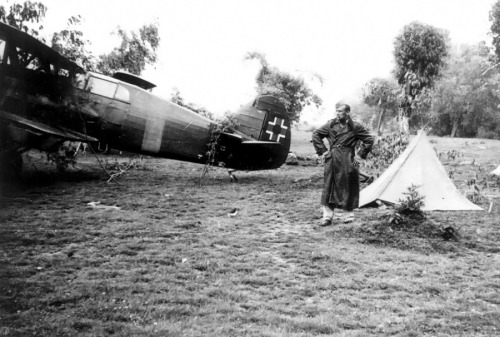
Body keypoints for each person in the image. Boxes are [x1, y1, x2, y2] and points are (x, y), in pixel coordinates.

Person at [312, 103, 375, 226]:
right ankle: (327, 217)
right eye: (336, 111)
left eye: (340, 111)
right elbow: (316, 134)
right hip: (332, 158)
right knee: (329, 186)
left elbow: (369, 140)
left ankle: (348, 216)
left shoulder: (355, 126)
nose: (337, 113)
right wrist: (324, 152)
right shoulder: (330, 125)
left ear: (347, 113)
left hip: (349, 159)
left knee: (348, 186)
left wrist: (359, 156)